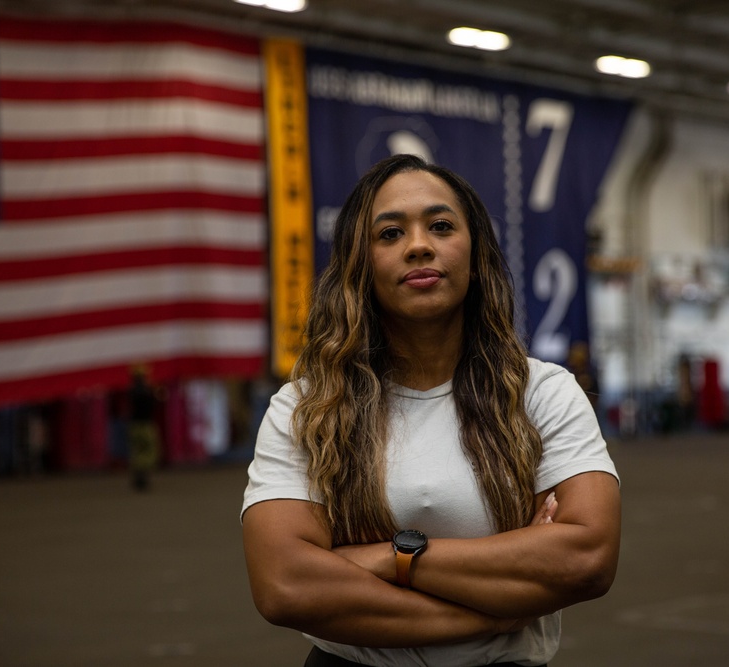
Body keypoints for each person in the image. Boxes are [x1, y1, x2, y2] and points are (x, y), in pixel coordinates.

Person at [241, 154, 620, 667]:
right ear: (360, 262)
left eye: (441, 226)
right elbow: (285, 585)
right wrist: (490, 614)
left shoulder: (544, 393)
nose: (419, 245)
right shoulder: (306, 408)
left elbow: (586, 559)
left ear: (474, 252)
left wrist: (388, 556)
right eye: (390, 234)